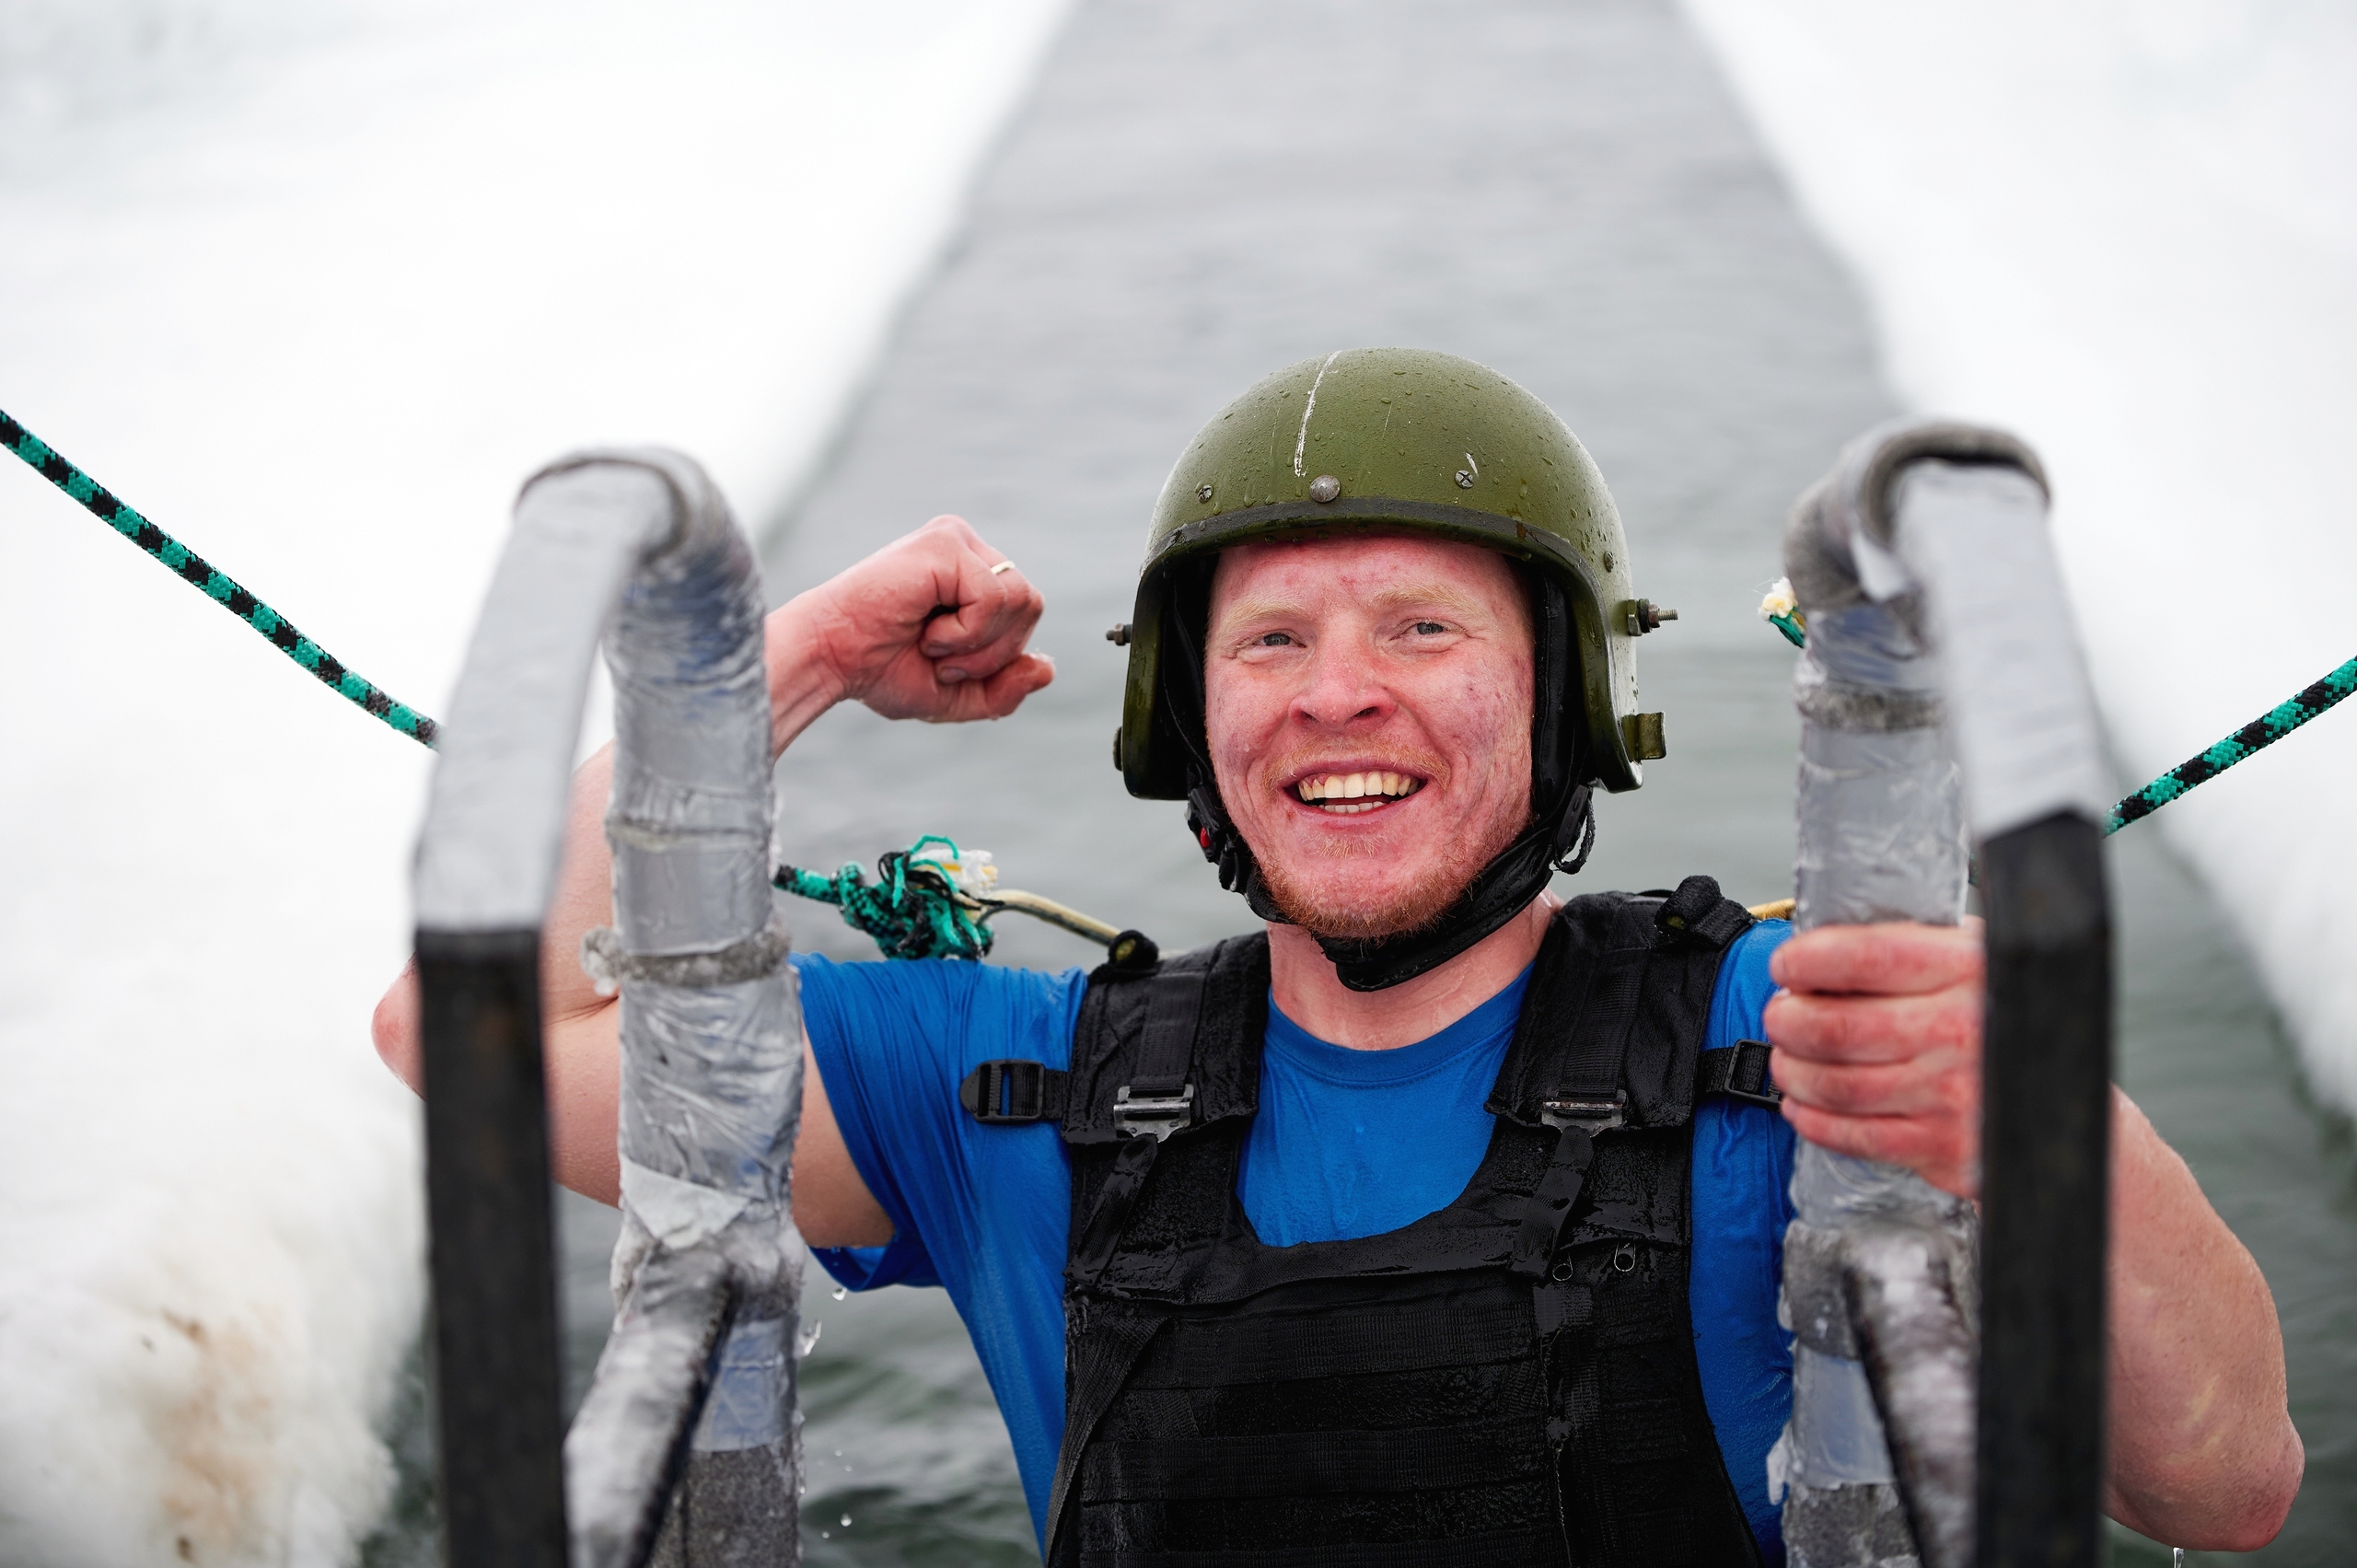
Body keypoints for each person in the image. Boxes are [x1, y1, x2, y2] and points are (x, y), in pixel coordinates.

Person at [375, 349, 2299, 1565]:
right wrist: (775, 665)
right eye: (1267, 642)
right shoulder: (1009, 1088)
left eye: (1420, 628)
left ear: (1562, 704)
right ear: (1186, 732)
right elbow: (454, 1036)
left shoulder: (1796, 1033)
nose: (1335, 696)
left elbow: (2218, 1492)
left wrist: (2025, 1111)